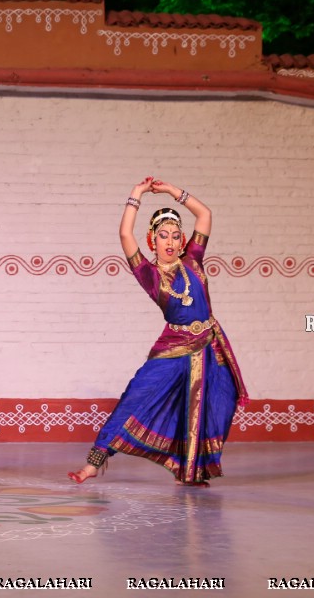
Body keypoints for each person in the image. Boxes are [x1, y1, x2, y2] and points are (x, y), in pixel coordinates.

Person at [69, 177, 247, 486]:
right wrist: (136, 195)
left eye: (175, 236)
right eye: (162, 235)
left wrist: (170, 191)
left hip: (208, 344)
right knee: (135, 397)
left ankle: (190, 470)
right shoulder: (148, 274)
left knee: (216, 402)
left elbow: (204, 215)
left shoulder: (194, 259)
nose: (170, 241)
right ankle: (94, 462)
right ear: (153, 240)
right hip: (172, 347)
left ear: (181, 242)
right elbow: (125, 233)